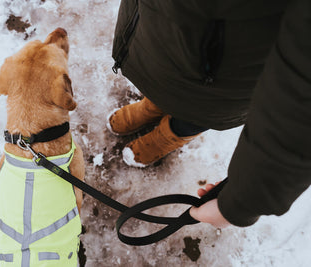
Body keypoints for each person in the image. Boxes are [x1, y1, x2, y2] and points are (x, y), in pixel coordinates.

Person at [108, 0, 311, 227]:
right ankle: (152, 107)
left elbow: (303, 91)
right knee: (159, 86)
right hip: (156, 35)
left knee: (196, 115)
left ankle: (169, 136)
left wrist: (242, 201)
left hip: (229, 76)